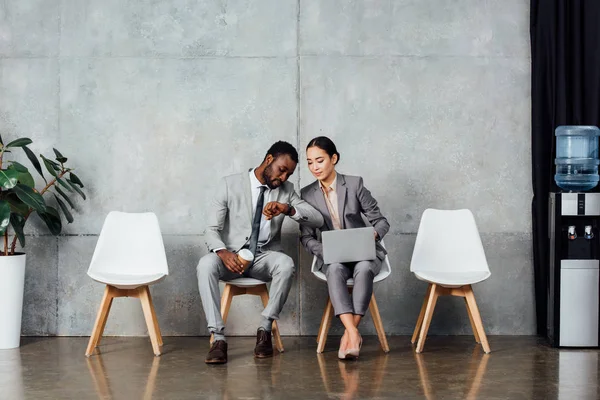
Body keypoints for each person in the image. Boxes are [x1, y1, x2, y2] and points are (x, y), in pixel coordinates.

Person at [197, 141, 324, 364]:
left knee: (286, 264)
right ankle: (218, 338)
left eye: (289, 173)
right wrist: (223, 252)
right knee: (205, 265)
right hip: (232, 258)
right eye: (281, 170)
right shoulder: (229, 184)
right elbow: (211, 230)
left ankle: (265, 329)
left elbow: (317, 218)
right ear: (268, 160)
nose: (283, 177)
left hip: (263, 257)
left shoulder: (286, 190)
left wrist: (288, 209)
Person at [300, 136, 390, 360]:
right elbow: (306, 237)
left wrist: (373, 235)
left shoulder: (354, 184)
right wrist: (325, 251)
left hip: (363, 252)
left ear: (334, 158)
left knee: (365, 268)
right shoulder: (306, 194)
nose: (314, 167)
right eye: (310, 162)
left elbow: (381, 221)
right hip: (333, 257)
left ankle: (349, 334)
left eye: (319, 160)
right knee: (335, 270)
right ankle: (352, 334)